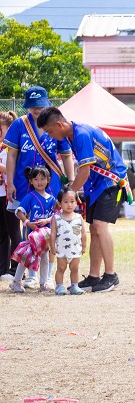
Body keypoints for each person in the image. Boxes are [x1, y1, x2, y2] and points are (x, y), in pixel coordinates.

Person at [37, 106, 127, 293]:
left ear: (60, 125)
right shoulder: (71, 136)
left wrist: (68, 194)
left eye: (50, 131)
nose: (50, 136)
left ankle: (111, 275)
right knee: (93, 228)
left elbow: (84, 171)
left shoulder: (81, 134)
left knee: (100, 226)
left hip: (111, 182)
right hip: (97, 185)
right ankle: (94, 276)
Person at [4, 87, 74, 286]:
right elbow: (11, 155)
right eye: (33, 105)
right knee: (29, 229)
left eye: (40, 105)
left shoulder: (55, 124)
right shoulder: (19, 124)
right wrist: (10, 183)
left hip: (51, 187)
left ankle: (48, 275)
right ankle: (32, 274)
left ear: (47, 104)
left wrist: (70, 183)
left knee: (51, 229)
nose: (36, 109)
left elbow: (66, 155)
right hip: (24, 185)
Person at [11, 165, 56, 292]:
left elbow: (57, 215)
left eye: (42, 179)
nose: (39, 182)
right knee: (26, 257)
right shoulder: (30, 196)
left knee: (45, 258)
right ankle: (16, 282)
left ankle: (43, 283)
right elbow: (20, 212)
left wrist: (47, 220)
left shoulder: (52, 199)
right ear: (30, 181)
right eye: (36, 179)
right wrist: (27, 223)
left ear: (48, 179)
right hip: (32, 235)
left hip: (46, 236)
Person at [49, 188, 86, 295]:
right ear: (60, 203)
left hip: (76, 249)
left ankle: (75, 286)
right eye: (65, 202)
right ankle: (59, 286)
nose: (69, 205)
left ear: (76, 202)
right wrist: (52, 247)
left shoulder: (79, 217)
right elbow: (53, 234)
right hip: (62, 250)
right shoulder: (56, 218)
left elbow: (83, 233)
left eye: (72, 201)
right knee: (61, 268)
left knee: (75, 269)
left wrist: (84, 246)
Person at [0, 110, 22, 279]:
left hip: (11, 193)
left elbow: (12, 168)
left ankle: (16, 269)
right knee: (2, 232)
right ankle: (3, 269)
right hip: (1, 192)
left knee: (14, 231)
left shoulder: (12, 147)